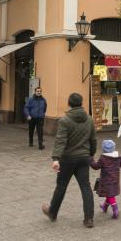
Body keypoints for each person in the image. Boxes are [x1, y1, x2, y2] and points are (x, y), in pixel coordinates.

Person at [42, 92, 98, 228]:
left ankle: (52, 212)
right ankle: (89, 219)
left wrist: (56, 158)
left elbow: (61, 140)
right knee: (86, 187)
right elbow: (93, 140)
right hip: (84, 158)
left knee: (61, 186)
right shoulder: (89, 119)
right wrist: (90, 154)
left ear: (69, 103)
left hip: (68, 159)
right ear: (81, 103)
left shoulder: (65, 120)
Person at [89, 139, 121, 219]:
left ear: (103, 149)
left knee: (110, 195)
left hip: (106, 181)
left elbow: (96, 166)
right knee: (110, 194)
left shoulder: (103, 158)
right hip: (115, 180)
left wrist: (90, 159)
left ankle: (115, 210)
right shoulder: (118, 158)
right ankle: (104, 207)